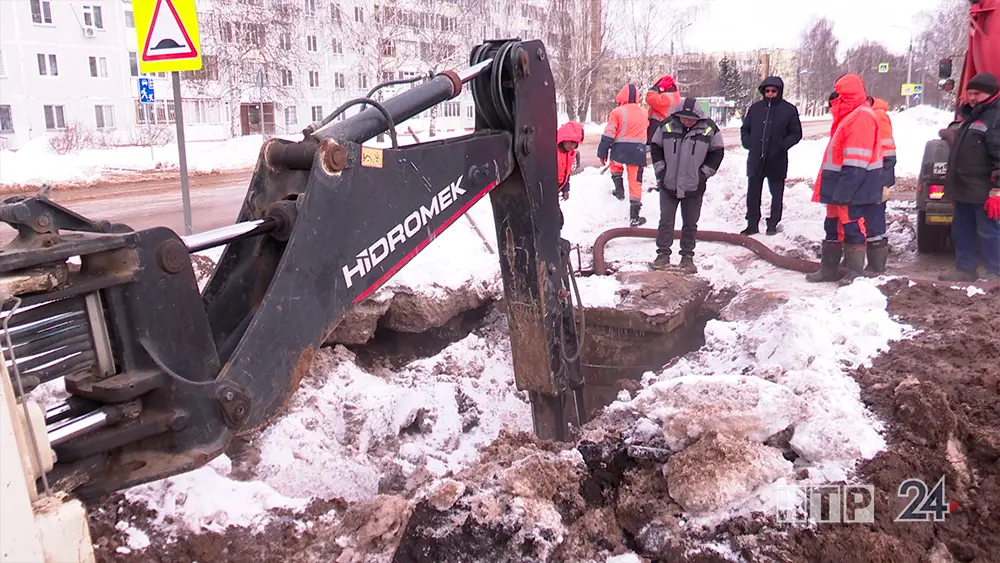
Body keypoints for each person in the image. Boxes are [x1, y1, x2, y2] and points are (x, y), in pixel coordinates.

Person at [806, 74, 884, 284]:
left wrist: (844, 191)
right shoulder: (848, 116)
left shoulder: (861, 117)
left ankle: (855, 273)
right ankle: (829, 270)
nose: (836, 100)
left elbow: (857, 160)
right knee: (832, 226)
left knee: (852, 226)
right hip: (838, 184)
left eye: (840, 95)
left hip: (851, 186)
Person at [649, 97, 725, 273]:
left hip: (694, 186)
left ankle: (687, 257)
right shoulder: (667, 126)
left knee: (690, 223)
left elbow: (717, 153)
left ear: (698, 117)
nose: (686, 121)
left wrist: (703, 175)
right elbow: (655, 147)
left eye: (690, 119)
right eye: (683, 117)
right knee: (666, 221)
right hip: (669, 184)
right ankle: (662, 254)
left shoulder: (709, 129)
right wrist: (661, 171)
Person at [937, 72, 1000, 282]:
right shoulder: (973, 116)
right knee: (961, 230)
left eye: (977, 93)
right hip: (964, 188)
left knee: (989, 232)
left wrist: (997, 191)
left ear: (990, 93)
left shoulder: (995, 117)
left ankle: (995, 273)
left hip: (984, 189)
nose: (971, 97)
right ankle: (965, 269)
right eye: (969, 93)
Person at [739, 76, 803, 235]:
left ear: (779, 92)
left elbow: (796, 133)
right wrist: (748, 143)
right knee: (753, 193)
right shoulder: (755, 108)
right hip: (756, 158)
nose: (770, 94)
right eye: (767, 91)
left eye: (773, 91)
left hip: (777, 159)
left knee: (776, 194)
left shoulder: (788, 110)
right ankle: (752, 224)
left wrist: (782, 145)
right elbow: (745, 129)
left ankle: (773, 223)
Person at [598, 84, 650, 226]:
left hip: (619, 148)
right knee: (635, 182)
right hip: (638, 151)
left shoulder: (617, 112)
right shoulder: (644, 112)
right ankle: (634, 216)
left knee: (616, 165)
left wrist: (602, 151)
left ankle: (619, 191)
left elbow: (609, 133)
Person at [862, 96, 896, 274]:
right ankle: (866, 262)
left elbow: (888, 153)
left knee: (874, 219)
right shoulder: (867, 114)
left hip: (876, 177)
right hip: (867, 176)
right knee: (865, 218)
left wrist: (883, 182)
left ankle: (876, 266)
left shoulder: (877, 116)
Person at [555, 121, 584, 229]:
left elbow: (566, 173)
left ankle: (554, 239)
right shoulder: (552, 152)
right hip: (546, 192)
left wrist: (565, 189)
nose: (571, 145)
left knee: (557, 221)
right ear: (563, 139)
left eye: (574, 143)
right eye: (569, 142)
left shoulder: (569, 154)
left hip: (556, 190)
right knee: (556, 220)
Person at [645, 75, 682, 144]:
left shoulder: (665, 97)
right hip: (671, 128)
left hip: (658, 126)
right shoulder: (677, 97)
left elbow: (649, 98)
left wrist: (655, 88)